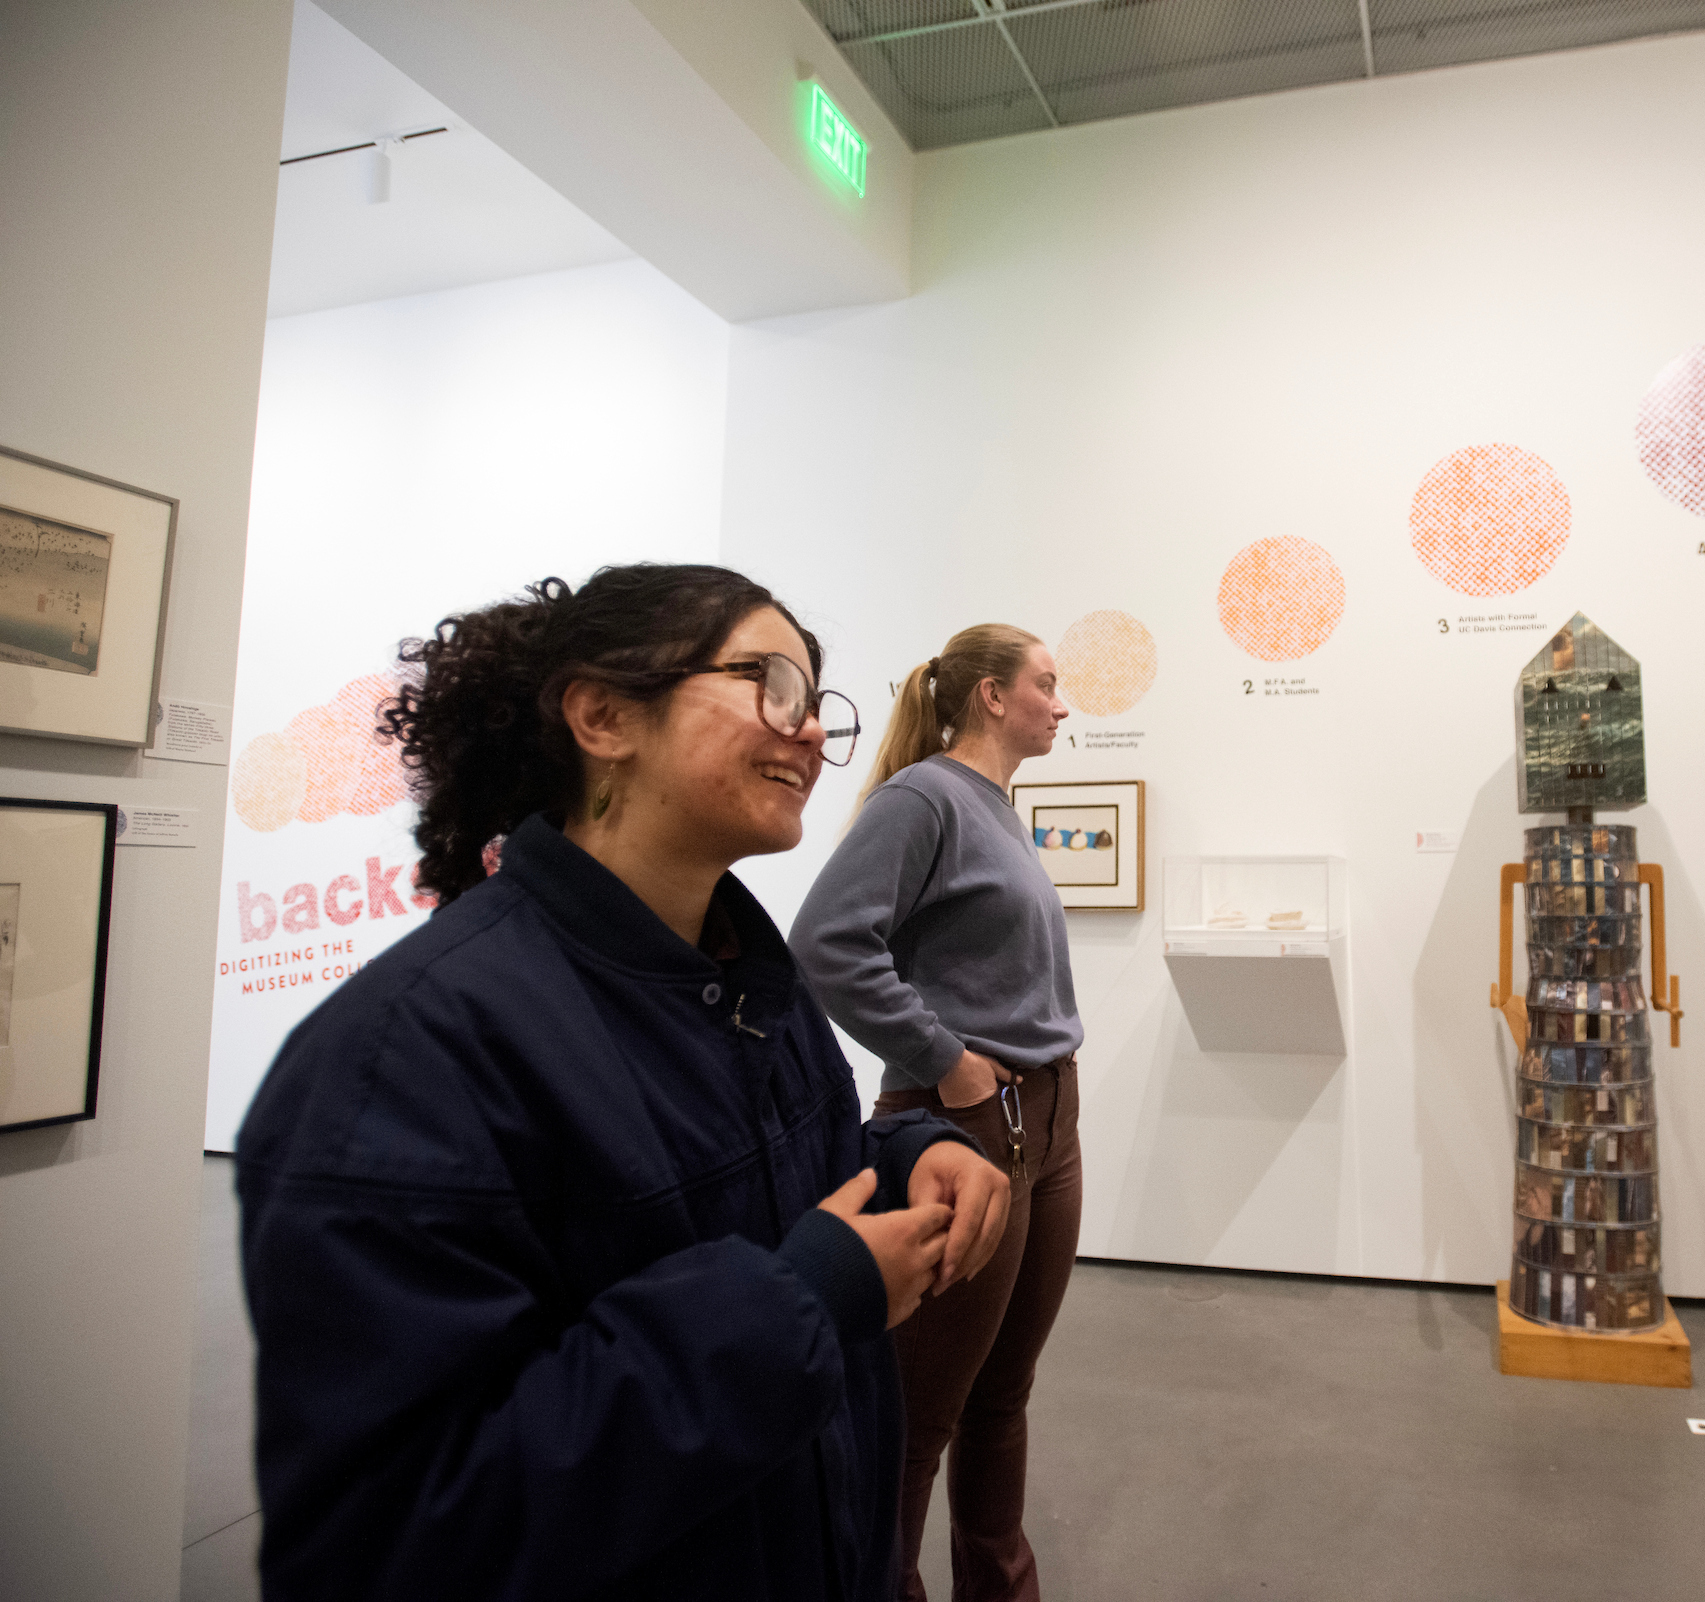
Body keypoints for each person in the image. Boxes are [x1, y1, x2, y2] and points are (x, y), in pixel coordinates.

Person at [236, 565, 1011, 1602]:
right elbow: (397, 1537)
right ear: (602, 714)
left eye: (819, 702)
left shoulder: (744, 973)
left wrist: (907, 1151)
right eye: (773, 685)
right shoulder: (405, 1058)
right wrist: (804, 1306)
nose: (815, 732)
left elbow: (753, 1183)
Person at [789, 624, 1081, 1602]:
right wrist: (945, 1060)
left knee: (1003, 1396)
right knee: (915, 1419)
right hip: (962, 1123)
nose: (1062, 702)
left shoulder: (998, 806)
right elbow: (829, 943)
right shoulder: (925, 797)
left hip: (1046, 1118)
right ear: (992, 695)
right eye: (1046, 683)